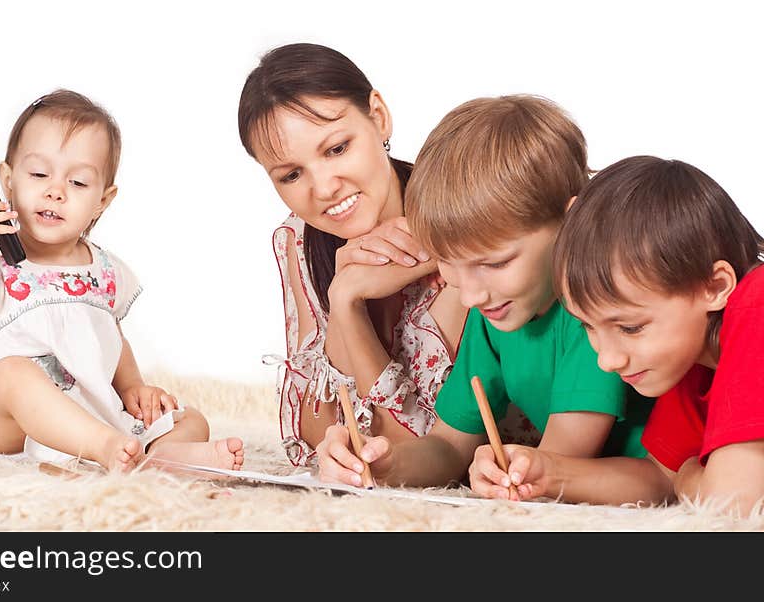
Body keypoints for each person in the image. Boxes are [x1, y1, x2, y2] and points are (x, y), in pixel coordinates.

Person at [317, 95, 653, 489]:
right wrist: (385, 463)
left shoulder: (594, 316)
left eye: (495, 264)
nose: (471, 296)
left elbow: (558, 462)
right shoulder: (492, 315)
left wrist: (510, 471)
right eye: (446, 260)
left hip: (655, 478)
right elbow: (449, 446)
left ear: (570, 222)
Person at [238, 44, 539, 467]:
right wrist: (346, 300)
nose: (324, 188)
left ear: (378, 117)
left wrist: (351, 309)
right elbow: (312, 433)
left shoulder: (463, 239)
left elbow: (429, 445)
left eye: (337, 148)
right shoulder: (301, 240)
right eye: (290, 174)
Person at [0, 89, 244, 473]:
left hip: (87, 411)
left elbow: (110, 334)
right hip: (4, 424)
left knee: (191, 420)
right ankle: (104, 447)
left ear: (102, 201)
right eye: (39, 174)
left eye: (78, 183)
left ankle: (153, 459)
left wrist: (133, 387)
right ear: (7, 180)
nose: (55, 191)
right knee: (13, 373)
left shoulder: (104, 269)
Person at [476, 156, 764, 516]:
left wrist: (689, 475)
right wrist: (546, 470)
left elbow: (733, 503)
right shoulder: (693, 356)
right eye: (589, 327)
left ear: (715, 286)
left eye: (630, 328)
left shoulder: (757, 308)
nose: (607, 360)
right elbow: (658, 475)